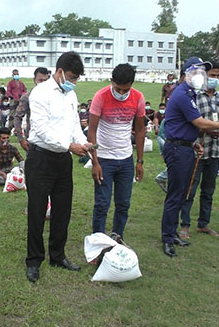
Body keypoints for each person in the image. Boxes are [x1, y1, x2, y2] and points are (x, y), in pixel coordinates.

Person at [161, 57, 219, 258]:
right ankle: (167, 238)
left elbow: (187, 125)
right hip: (177, 149)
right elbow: (200, 123)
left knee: (181, 193)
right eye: (197, 72)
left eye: (203, 73)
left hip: (185, 147)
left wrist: (193, 142)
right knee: (175, 194)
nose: (201, 77)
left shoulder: (189, 93)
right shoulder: (182, 95)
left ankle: (172, 232)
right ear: (186, 74)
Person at [25, 51, 92, 282]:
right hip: (41, 159)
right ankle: (34, 261)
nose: (73, 82)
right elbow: (41, 129)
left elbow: (74, 125)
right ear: (60, 71)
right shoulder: (40, 93)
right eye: (71, 77)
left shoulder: (70, 96)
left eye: (76, 79)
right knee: (36, 210)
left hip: (63, 160)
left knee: (62, 210)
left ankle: (57, 255)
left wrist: (83, 143)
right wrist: (70, 145)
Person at [87, 63, 145, 239]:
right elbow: (92, 131)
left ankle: (117, 237)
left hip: (126, 159)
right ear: (111, 81)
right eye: (117, 89)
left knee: (123, 203)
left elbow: (141, 130)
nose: (121, 93)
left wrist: (140, 161)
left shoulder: (138, 98)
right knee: (102, 204)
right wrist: (95, 162)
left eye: (125, 90)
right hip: (104, 159)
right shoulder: (101, 96)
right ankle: (97, 243)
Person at [178, 61, 219, 240]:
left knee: (209, 190)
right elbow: (191, 125)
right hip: (197, 150)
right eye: (211, 76)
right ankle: (184, 224)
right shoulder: (194, 97)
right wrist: (208, 130)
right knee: (190, 188)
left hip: (214, 152)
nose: (214, 79)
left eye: (217, 76)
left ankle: (203, 223)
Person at [13, 67, 50, 152]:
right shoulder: (27, 97)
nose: (43, 83)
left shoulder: (54, 97)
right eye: (40, 80)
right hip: (33, 140)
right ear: (34, 80)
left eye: (45, 81)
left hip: (51, 140)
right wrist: (21, 139)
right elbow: (18, 117)